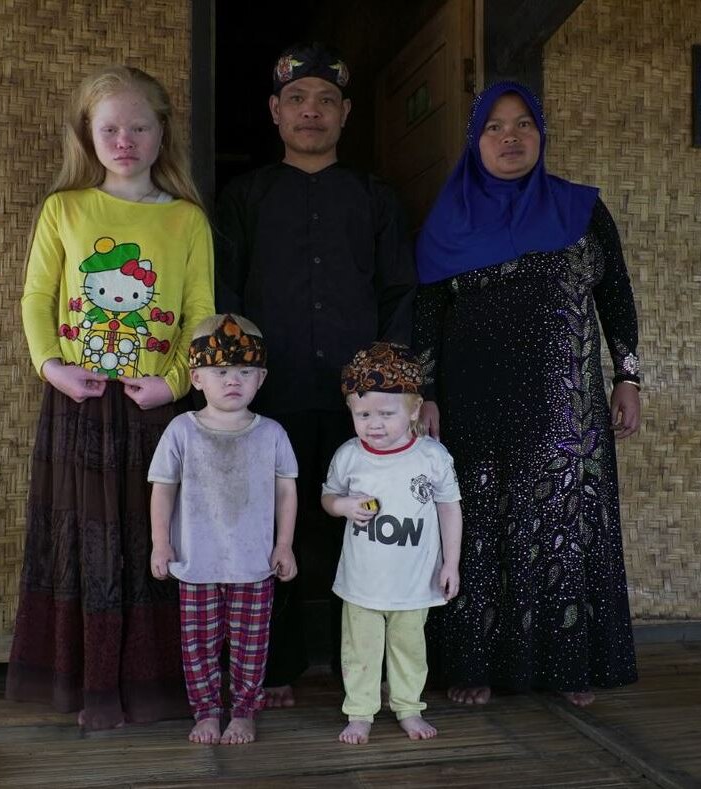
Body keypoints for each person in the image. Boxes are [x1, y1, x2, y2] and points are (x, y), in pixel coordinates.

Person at [413, 81, 641, 708]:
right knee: (477, 526)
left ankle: (570, 665)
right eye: (494, 127)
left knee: (564, 526)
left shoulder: (580, 209)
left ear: (541, 136)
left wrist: (629, 376)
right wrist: (425, 391)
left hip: (566, 404)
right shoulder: (450, 214)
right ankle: (474, 665)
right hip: (473, 401)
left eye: (522, 125)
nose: (509, 137)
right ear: (475, 139)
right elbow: (427, 311)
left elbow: (615, 297)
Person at [6, 65, 215, 730]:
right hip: (77, 404)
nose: (124, 139)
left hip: (156, 410)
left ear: (161, 135)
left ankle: (149, 689)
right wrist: (51, 366)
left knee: (150, 541)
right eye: (109, 128)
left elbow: (202, 316)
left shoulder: (187, 221)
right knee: (84, 541)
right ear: (87, 136)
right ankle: (86, 688)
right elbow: (36, 296)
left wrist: (175, 383)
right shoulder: (64, 209)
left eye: (139, 127)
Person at [215, 42, 418, 706]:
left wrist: (397, 387)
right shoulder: (242, 197)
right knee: (268, 529)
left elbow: (399, 292)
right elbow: (225, 297)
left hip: (361, 405)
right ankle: (275, 667)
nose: (311, 112)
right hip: (266, 398)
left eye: (325, 101)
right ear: (274, 112)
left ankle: (354, 665)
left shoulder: (374, 197)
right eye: (297, 100)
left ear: (346, 112)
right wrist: (231, 390)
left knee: (362, 525)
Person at [148, 314, 298, 745]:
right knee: (197, 646)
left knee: (251, 646)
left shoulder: (271, 433)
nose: (233, 380)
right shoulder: (182, 431)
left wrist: (283, 544)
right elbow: (163, 489)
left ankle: (245, 712)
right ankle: (206, 712)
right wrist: (161, 544)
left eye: (245, 372)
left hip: (253, 563)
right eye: (220, 372)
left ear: (261, 378)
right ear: (196, 377)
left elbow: (286, 492)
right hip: (196, 562)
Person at [322, 342, 462, 744]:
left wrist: (450, 564)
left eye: (387, 414)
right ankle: (360, 712)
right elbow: (328, 499)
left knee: (409, 649)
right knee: (360, 652)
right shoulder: (349, 456)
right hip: (361, 583)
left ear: (415, 410)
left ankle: (408, 706)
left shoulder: (432, 458)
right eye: (364, 414)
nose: (375, 424)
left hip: (414, 583)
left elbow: (450, 509)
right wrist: (343, 505)